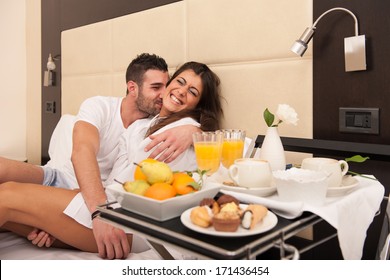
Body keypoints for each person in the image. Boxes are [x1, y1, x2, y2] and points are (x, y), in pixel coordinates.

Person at [0, 61, 223, 259]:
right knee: (12, 217)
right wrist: (57, 218)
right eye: (180, 82)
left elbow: (217, 150)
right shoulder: (141, 125)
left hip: (130, 226)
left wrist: (196, 130)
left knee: (7, 195)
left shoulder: (186, 133)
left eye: (192, 91)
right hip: (107, 207)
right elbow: (107, 176)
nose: (181, 91)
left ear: (198, 104)